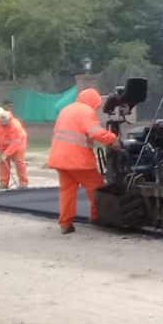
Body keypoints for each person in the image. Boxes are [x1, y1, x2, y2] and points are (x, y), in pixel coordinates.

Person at [46, 87, 120, 234]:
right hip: (78, 160)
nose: (96, 108)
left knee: (67, 192)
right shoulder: (86, 112)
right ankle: (97, 216)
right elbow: (95, 132)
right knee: (97, 188)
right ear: (93, 102)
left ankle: (65, 224)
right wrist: (112, 139)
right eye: (97, 105)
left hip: (60, 158)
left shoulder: (66, 110)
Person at [0, 108, 29, 190]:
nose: (3, 124)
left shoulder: (15, 126)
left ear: (9, 119)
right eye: (2, 122)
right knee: (3, 162)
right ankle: (3, 183)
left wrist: (6, 153)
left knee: (19, 162)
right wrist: (1, 150)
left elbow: (15, 143)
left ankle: (23, 182)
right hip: (4, 144)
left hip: (19, 143)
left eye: (5, 122)